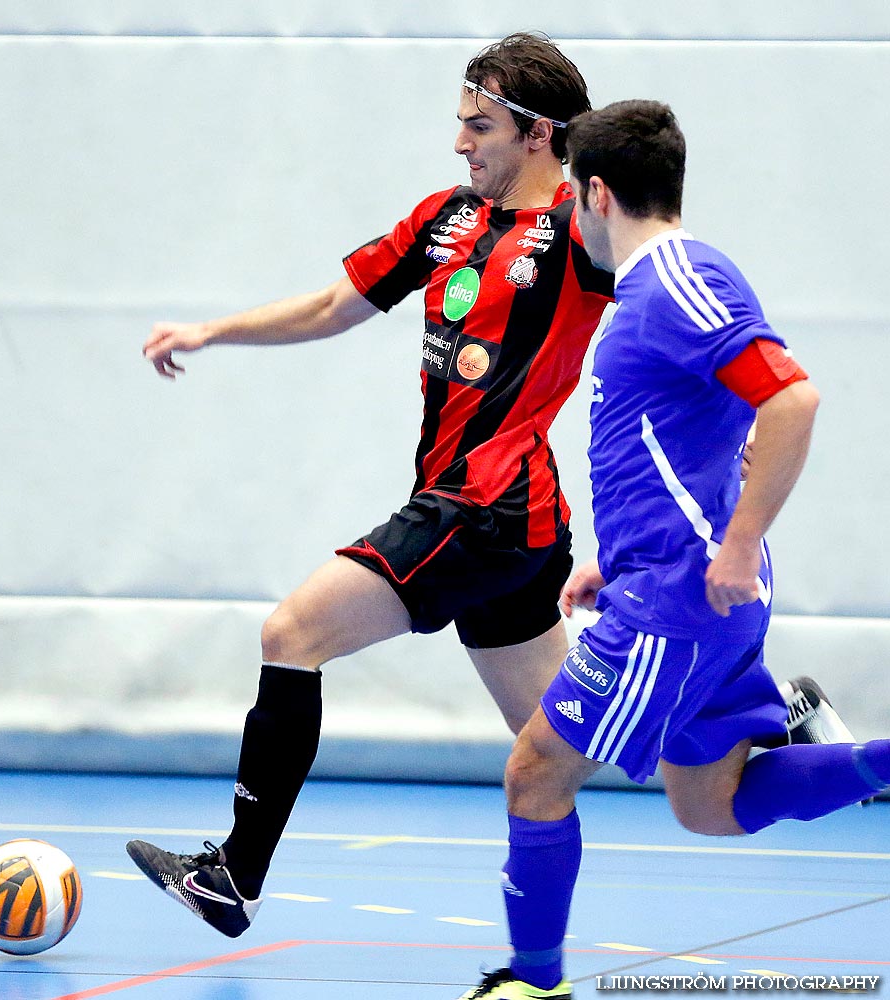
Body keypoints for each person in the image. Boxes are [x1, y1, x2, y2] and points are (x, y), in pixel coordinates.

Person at [125, 36, 854, 940]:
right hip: (519, 528)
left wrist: (741, 452)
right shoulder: (444, 219)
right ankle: (779, 735)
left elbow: (680, 305)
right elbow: (330, 307)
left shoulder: (582, 232)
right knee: (565, 760)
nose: (461, 144)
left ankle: (234, 875)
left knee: (291, 634)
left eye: (479, 126)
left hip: (481, 507)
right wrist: (210, 331)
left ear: (542, 135)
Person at [456, 100, 887, 1000]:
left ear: (598, 193)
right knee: (711, 805)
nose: (571, 216)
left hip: (682, 601)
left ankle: (530, 985)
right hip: (670, 583)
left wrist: (737, 546)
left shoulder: (673, 284)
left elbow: (791, 402)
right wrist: (614, 556)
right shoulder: (668, 287)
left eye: (572, 197)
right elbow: (685, 440)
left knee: (536, 770)